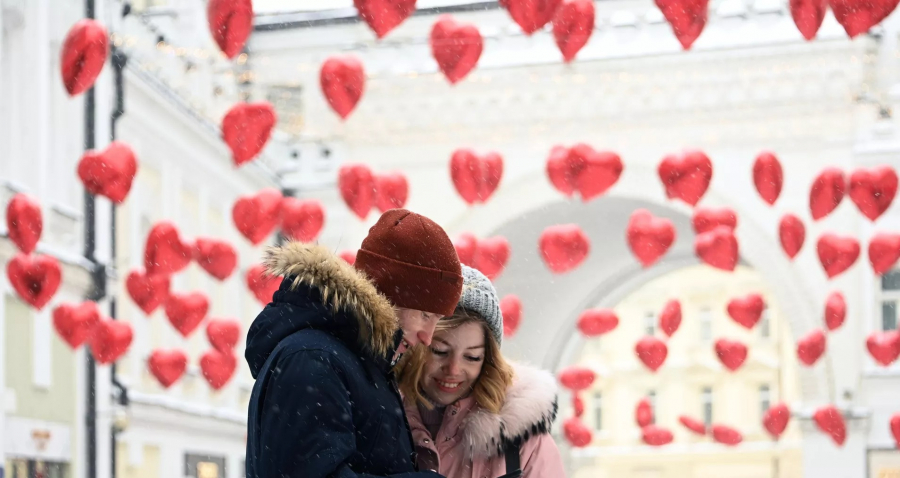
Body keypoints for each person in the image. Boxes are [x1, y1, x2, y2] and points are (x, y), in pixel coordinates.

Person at [244, 208, 464, 478]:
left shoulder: (355, 362)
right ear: (389, 293)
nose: (427, 337)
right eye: (425, 315)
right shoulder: (312, 359)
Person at [396, 266, 566, 478]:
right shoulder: (380, 422)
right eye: (440, 351)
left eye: (472, 357)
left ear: (488, 360)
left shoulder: (523, 441)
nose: (454, 369)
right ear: (418, 346)